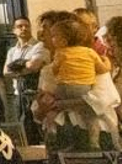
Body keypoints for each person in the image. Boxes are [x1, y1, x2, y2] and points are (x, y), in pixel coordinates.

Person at [42, 16, 112, 144]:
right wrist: (107, 61)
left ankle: (51, 130)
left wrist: (58, 76)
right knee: (91, 116)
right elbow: (102, 69)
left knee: (53, 108)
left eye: (53, 36)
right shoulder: (90, 53)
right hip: (83, 88)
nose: (50, 39)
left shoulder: (61, 53)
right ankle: (94, 141)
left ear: (63, 41)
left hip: (63, 87)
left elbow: (55, 69)